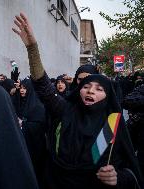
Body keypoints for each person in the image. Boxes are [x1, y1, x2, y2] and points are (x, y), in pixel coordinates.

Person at [13, 12, 143, 189]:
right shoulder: (66, 110)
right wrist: (32, 48)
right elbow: (43, 86)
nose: (90, 90)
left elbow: (131, 169)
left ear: (108, 96)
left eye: (99, 89)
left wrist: (118, 178)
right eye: (86, 86)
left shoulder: (113, 123)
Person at [0, 78, 39, 189]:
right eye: (21, 88)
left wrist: (24, 124)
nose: (22, 90)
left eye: (25, 88)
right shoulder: (15, 101)